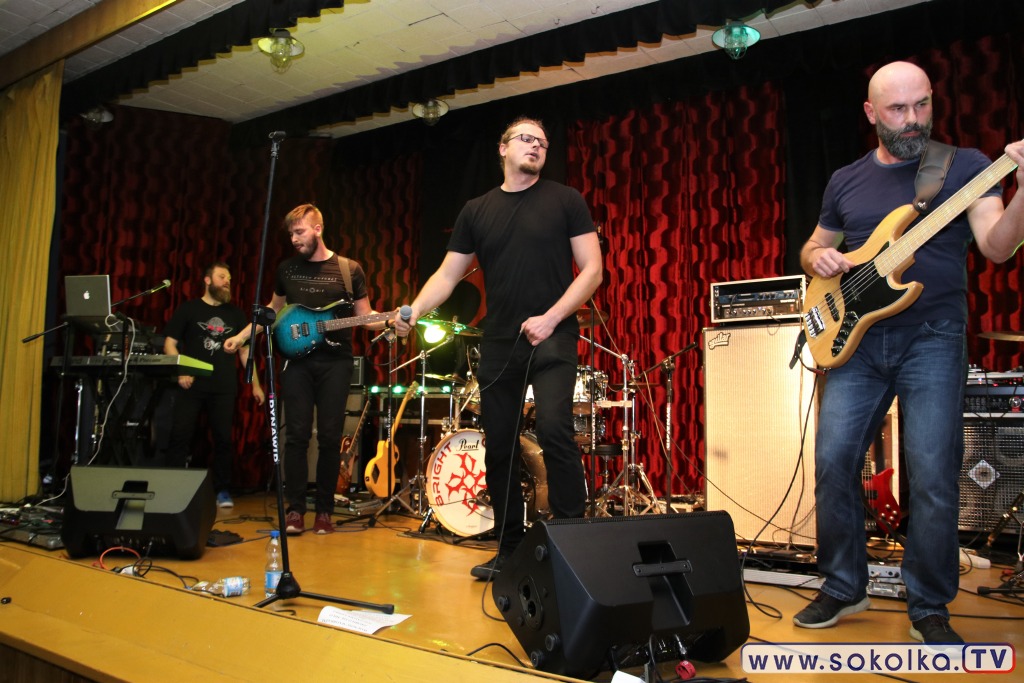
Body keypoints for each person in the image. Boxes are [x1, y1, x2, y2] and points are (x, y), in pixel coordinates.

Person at [796, 61, 1024, 644]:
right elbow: (815, 246)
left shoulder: (965, 165)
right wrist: (817, 258)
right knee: (833, 461)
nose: (913, 119)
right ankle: (843, 586)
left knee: (932, 472)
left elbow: (997, 246)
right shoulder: (845, 180)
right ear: (871, 113)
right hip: (857, 339)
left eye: (922, 105)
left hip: (933, 336)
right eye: (898, 109)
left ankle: (928, 604)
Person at [395, 117, 603, 579]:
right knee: (500, 446)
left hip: (553, 333)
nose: (536, 146)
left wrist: (551, 318)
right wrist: (414, 309)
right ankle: (509, 549)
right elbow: (448, 275)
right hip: (501, 341)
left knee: (554, 429)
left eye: (543, 142)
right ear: (503, 148)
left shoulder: (566, 200)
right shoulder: (476, 210)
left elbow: (592, 270)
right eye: (527, 139)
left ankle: (573, 547)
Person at [225, 204, 388, 535]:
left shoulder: (349, 270)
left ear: (318, 229)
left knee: (329, 437)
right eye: (290, 234)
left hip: (336, 363)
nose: (294, 239)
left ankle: (324, 511)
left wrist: (390, 319)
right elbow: (272, 310)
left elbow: (366, 316)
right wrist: (242, 336)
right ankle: (295, 510)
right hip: (296, 363)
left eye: (299, 232)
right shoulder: (286, 269)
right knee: (296, 436)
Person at [163, 262, 265, 508]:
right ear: (207, 280)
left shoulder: (236, 315)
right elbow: (169, 344)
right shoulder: (189, 309)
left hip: (223, 386)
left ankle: (222, 490)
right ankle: (172, 488)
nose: (227, 281)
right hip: (191, 385)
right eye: (222, 277)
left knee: (223, 439)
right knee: (180, 435)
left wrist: (255, 385)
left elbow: (244, 352)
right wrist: (182, 370)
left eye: (229, 277)